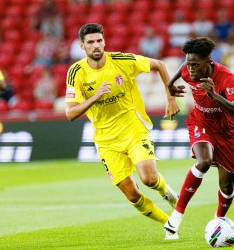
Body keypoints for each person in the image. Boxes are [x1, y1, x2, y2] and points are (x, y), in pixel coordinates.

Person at [65, 23, 180, 226]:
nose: (96, 46)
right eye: (90, 42)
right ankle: (169, 224)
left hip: (132, 129)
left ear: (104, 41)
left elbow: (160, 65)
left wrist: (171, 98)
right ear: (82, 46)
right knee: (133, 196)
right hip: (106, 141)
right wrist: (95, 96)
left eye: (99, 40)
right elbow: (70, 113)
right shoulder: (76, 72)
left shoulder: (121, 60)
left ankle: (165, 191)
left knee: (149, 180)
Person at [163, 37, 234, 239]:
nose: (190, 70)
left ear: (208, 62)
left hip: (226, 131)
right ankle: (175, 217)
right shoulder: (188, 69)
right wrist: (170, 87)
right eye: (188, 63)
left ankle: (218, 222)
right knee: (204, 161)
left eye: (195, 64)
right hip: (201, 122)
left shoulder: (225, 77)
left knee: (227, 186)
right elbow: (182, 67)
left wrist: (215, 95)